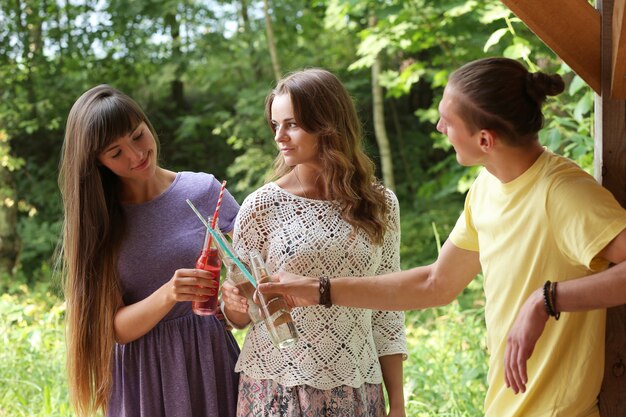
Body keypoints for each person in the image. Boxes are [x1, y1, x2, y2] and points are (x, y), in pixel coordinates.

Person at [257, 58, 626, 417]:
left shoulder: (563, 193)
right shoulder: (488, 186)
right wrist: (319, 290)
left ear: (484, 139)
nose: (437, 128)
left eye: (447, 121)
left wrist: (546, 299)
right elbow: (435, 283)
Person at [221, 68, 407, 417]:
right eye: (275, 125)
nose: (279, 136)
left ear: (327, 123)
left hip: (356, 384)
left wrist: (396, 401)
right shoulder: (261, 206)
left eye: (291, 124)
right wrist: (233, 299)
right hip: (278, 386)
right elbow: (242, 316)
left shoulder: (381, 204)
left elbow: (387, 309)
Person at [58, 85, 240, 417]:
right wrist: (170, 294)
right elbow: (113, 329)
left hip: (210, 358)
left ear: (147, 124)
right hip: (143, 377)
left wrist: (236, 296)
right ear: (96, 162)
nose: (136, 155)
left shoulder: (205, 191)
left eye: (138, 136)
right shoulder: (97, 223)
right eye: (115, 153)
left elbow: (253, 265)